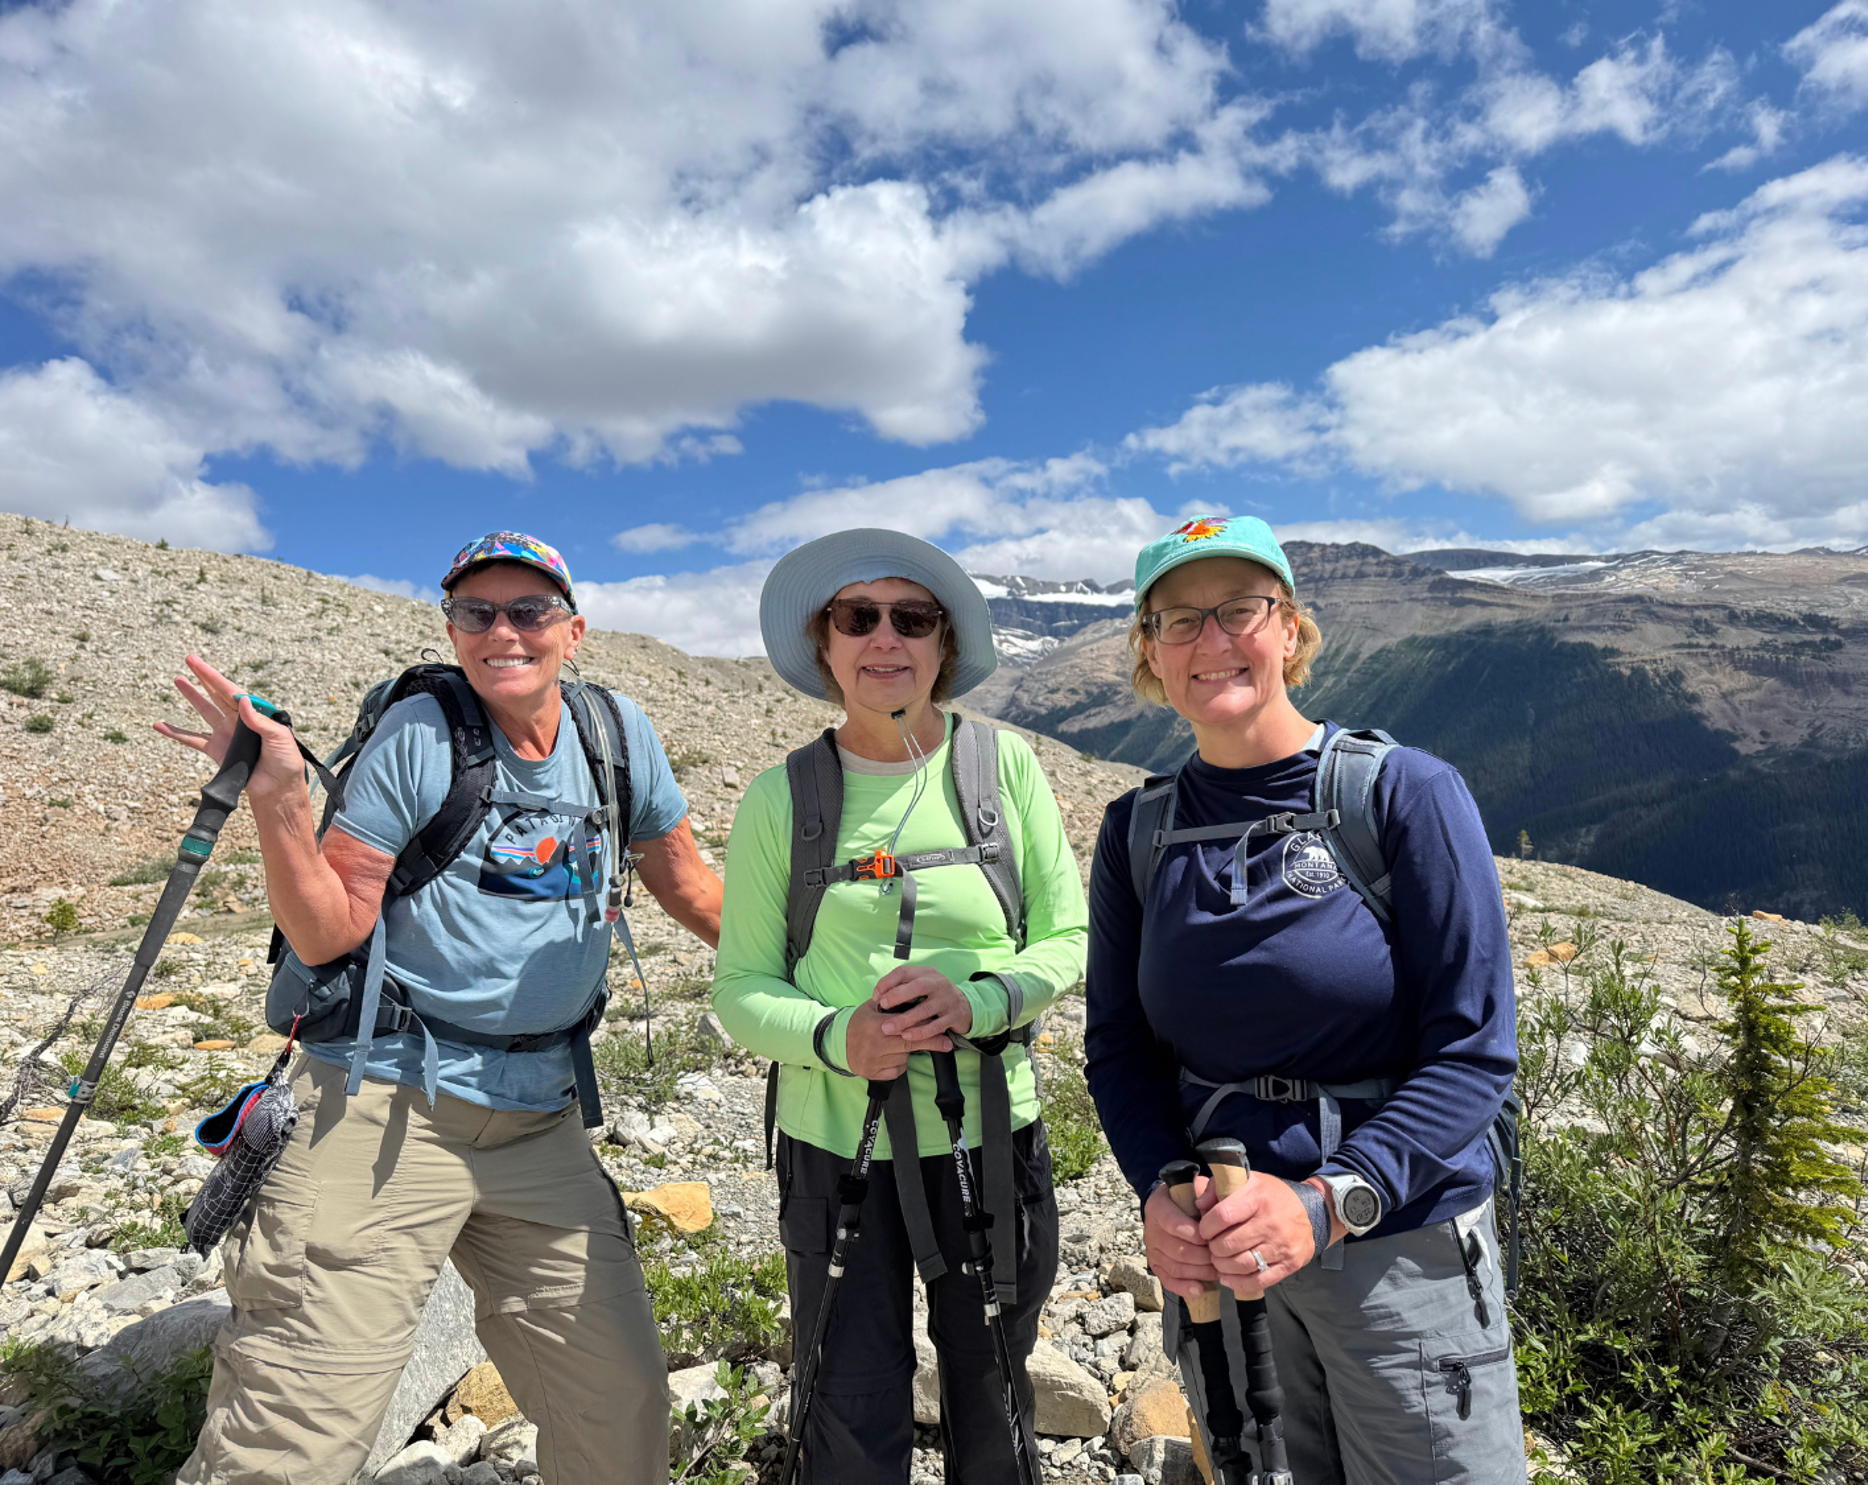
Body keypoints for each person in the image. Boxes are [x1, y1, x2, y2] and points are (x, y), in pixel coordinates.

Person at [155, 531, 722, 1485]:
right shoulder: (419, 733)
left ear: (573, 630)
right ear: (453, 626)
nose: (503, 630)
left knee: (618, 1407)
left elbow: (693, 888)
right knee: (292, 1438)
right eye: (477, 612)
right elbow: (334, 929)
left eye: (528, 611)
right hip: (381, 1109)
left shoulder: (617, 735)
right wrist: (282, 797)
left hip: (540, 1123)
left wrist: (824, 982)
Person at [1082, 516, 1526, 1483]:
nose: (1213, 641)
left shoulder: (1405, 794)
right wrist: (1161, 1186)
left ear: (1290, 630)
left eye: (1241, 609)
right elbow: (1118, 1048)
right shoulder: (1135, 834)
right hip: (1225, 1245)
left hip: (1399, 1237)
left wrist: (1328, 1203)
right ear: (1150, 654)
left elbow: (1476, 1050)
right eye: (1179, 621)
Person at [711, 528, 1087, 1484]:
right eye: (857, 617)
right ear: (826, 644)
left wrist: (981, 997)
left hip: (990, 1138)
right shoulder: (779, 798)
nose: (887, 638)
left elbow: (1068, 940)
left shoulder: (1002, 770)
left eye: (912, 617)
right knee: (848, 1399)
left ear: (943, 644)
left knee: (994, 1397)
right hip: (836, 1144)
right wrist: (842, 1035)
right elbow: (743, 988)